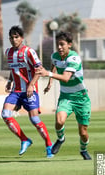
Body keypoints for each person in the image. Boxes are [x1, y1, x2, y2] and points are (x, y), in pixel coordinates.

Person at [36, 31, 92, 160]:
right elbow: (54, 65)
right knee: (59, 121)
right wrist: (50, 82)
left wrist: (48, 74)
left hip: (81, 98)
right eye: (58, 44)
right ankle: (61, 139)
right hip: (66, 96)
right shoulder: (55, 56)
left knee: (83, 132)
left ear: (70, 45)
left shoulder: (74, 58)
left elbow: (66, 78)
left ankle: (83, 150)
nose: (59, 47)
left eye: (62, 44)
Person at [1, 25, 54, 158]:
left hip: (30, 91)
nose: (14, 40)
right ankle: (24, 140)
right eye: (11, 37)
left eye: (16, 37)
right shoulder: (8, 52)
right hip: (16, 91)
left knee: (35, 119)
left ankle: (49, 145)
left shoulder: (29, 52)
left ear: (22, 38)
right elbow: (14, 69)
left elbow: (39, 69)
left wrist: (31, 85)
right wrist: (9, 81)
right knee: (6, 114)